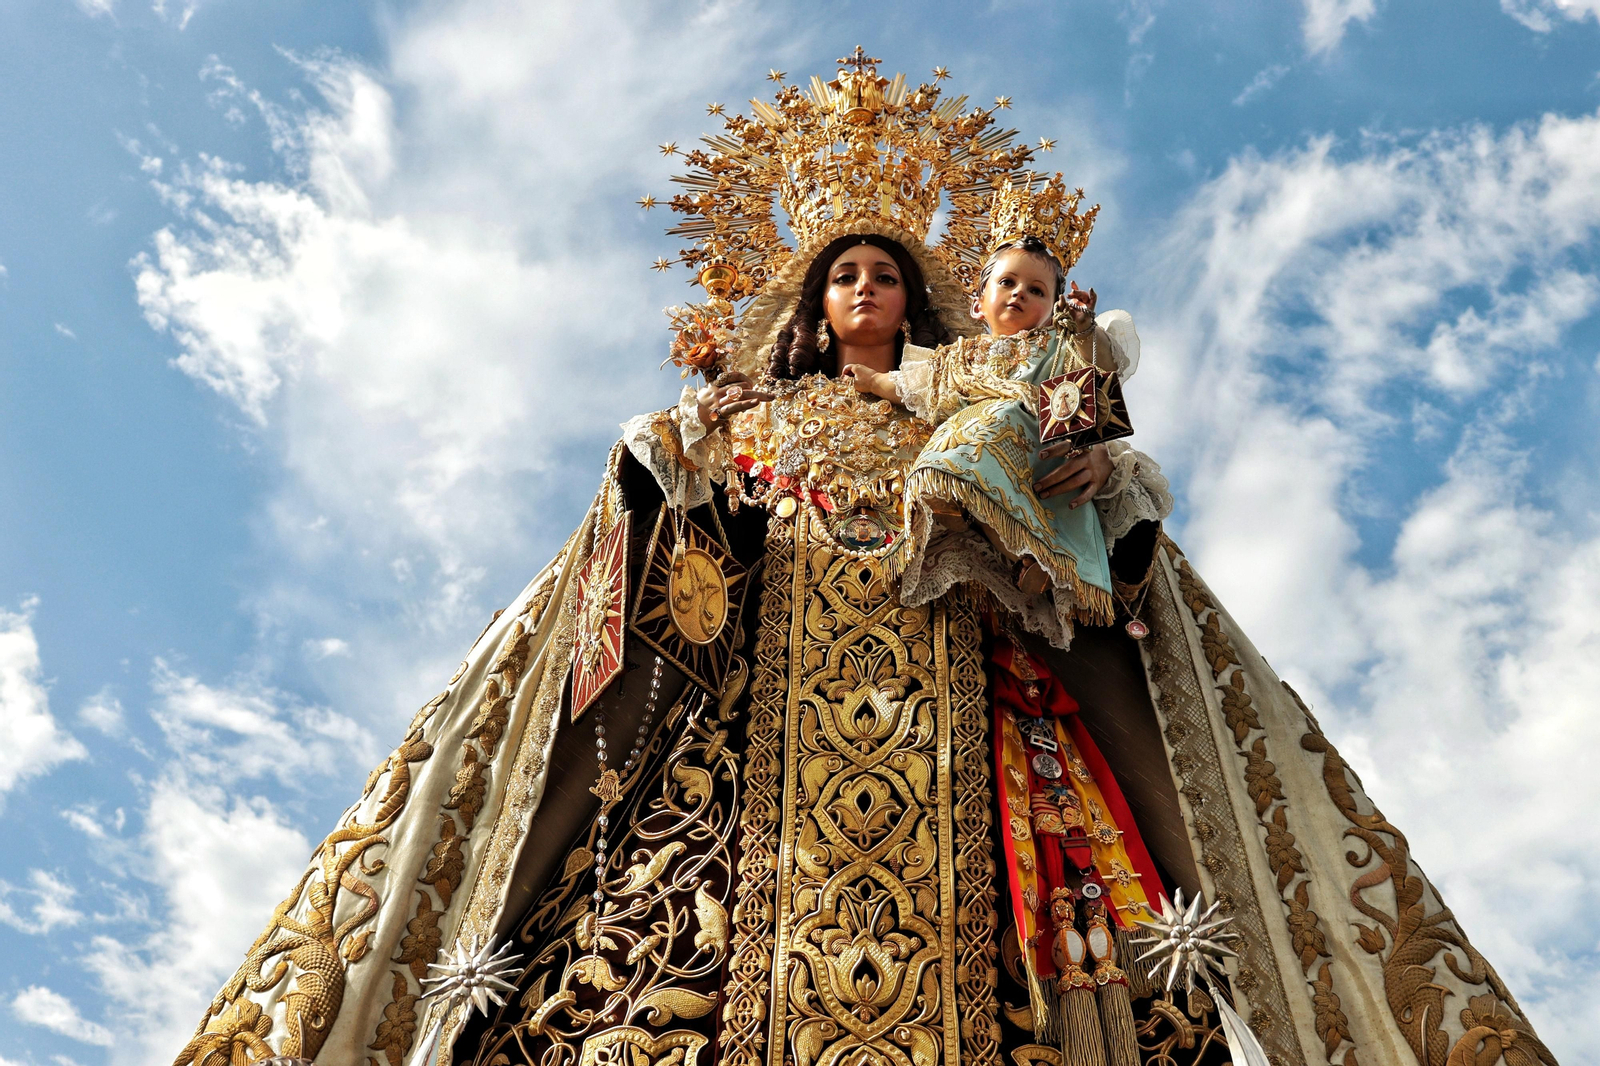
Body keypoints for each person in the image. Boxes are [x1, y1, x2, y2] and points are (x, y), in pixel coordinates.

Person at [178, 55, 1554, 1066]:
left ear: (920, 296)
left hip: (983, 744)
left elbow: (1086, 551)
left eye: (887, 275)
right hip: (747, 767)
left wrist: (1099, 484)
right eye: (843, 275)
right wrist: (666, 466)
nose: (864, 293)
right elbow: (665, 564)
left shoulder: (979, 412)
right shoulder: (754, 415)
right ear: (811, 297)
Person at [845, 232, 1136, 647]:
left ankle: (1037, 556)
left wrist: (1084, 326)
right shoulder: (959, 357)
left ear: (1054, 308)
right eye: (1007, 283)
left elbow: (1099, 371)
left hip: (1038, 442)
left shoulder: (1056, 344)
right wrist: (874, 379)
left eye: (1036, 290)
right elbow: (917, 383)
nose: (1019, 294)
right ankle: (1019, 555)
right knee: (964, 447)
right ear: (978, 304)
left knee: (988, 424)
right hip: (982, 450)